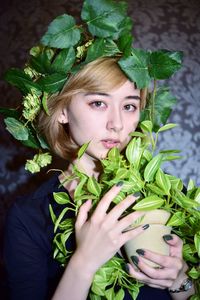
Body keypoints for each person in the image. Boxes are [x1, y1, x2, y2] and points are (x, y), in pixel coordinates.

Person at [4, 57, 195, 300]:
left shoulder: (163, 193)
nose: (116, 124)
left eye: (129, 106)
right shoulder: (29, 216)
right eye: (98, 103)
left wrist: (179, 280)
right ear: (63, 110)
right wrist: (83, 262)